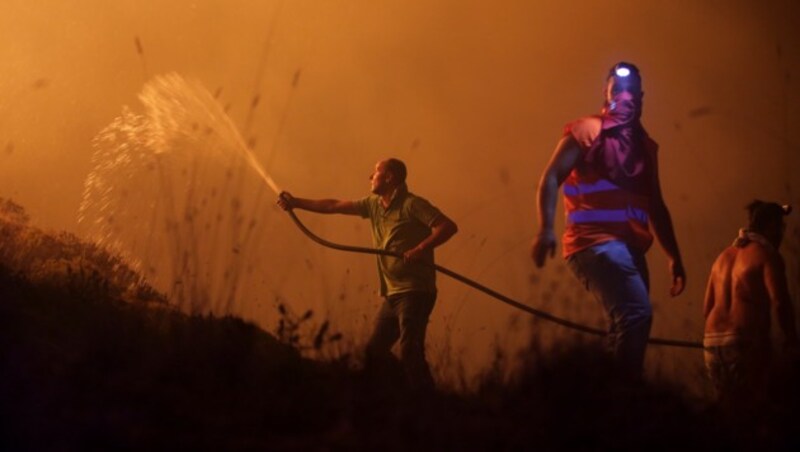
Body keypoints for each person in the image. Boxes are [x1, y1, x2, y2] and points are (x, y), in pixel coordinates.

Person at [531, 62, 686, 381]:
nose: (626, 96)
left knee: (627, 325)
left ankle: (603, 401)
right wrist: (545, 229)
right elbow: (550, 176)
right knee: (636, 315)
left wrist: (674, 257)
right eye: (618, 89)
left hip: (631, 250)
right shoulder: (588, 129)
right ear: (606, 93)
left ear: (642, 97)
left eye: (632, 91)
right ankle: (619, 400)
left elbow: (657, 205)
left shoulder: (646, 148)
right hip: (594, 244)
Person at [277, 158, 458, 390]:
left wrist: (421, 249)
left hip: (415, 291)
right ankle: (397, 394)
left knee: (410, 350)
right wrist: (296, 203)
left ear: (390, 177)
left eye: (376, 172)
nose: (370, 177)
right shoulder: (373, 205)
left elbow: (447, 226)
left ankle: (429, 406)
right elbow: (333, 206)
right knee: (373, 353)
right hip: (392, 295)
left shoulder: (412, 205)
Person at [703, 200, 797, 401]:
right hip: (744, 344)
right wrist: (791, 339)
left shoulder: (722, 257)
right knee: (752, 410)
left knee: (726, 411)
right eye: (780, 227)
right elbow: (780, 302)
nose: (782, 233)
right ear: (770, 226)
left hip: (711, 344)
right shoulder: (767, 256)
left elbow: (707, 308)